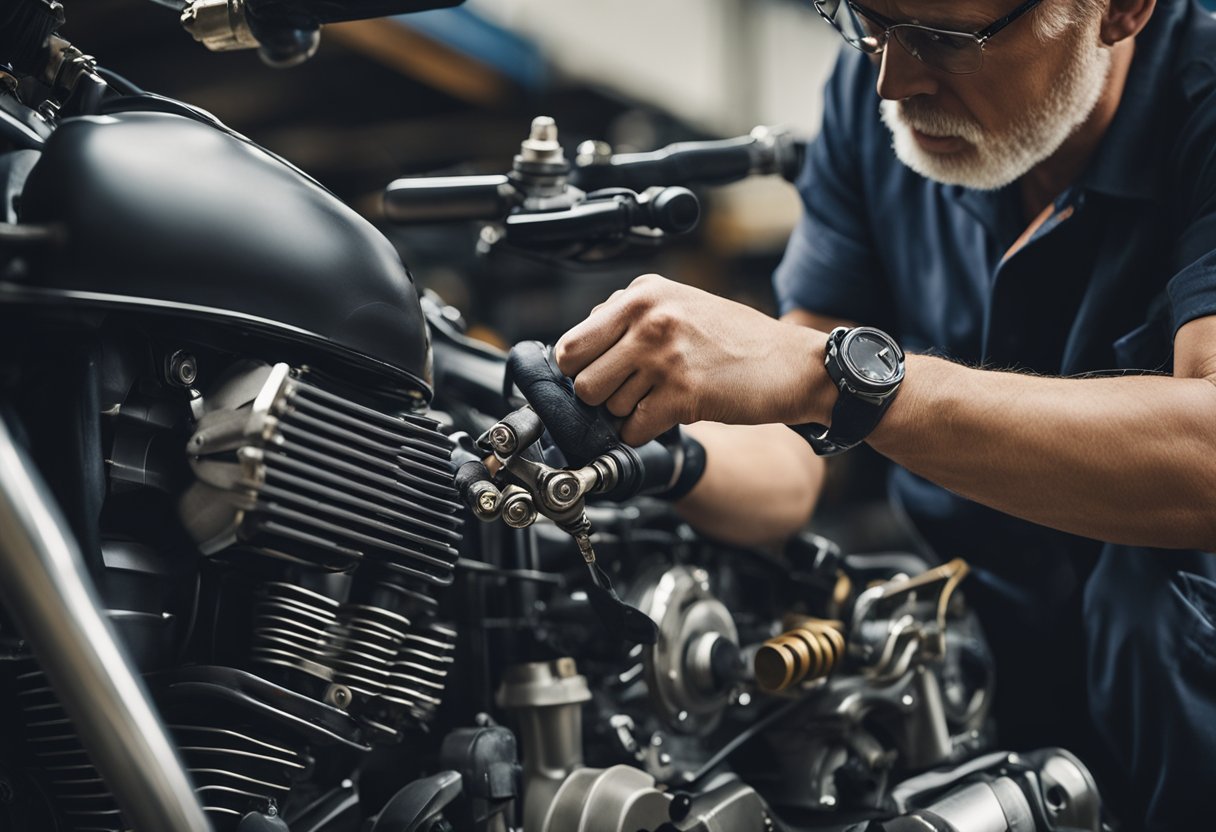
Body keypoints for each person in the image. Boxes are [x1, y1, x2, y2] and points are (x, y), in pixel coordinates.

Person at [550, 0, 1216, 828]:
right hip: (983, 660)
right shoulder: (879, 105)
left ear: (1118, 11)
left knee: (1149, 590)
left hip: (1180, 696)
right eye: (864, 19)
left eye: (947, 38)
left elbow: (1208, 460)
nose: (893, 80)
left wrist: (841, 381)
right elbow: (791, 453)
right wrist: (648, 446)